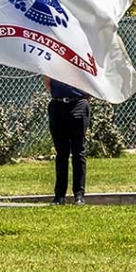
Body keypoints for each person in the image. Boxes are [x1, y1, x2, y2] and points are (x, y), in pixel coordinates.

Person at [44, 76, 91, 204]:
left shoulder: (79, 57)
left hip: (79, 103)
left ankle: (79, 195)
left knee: (78, 151)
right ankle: (59, 196)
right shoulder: (54, 58)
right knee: (61, 153)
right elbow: (47, 79)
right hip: (57, 105)